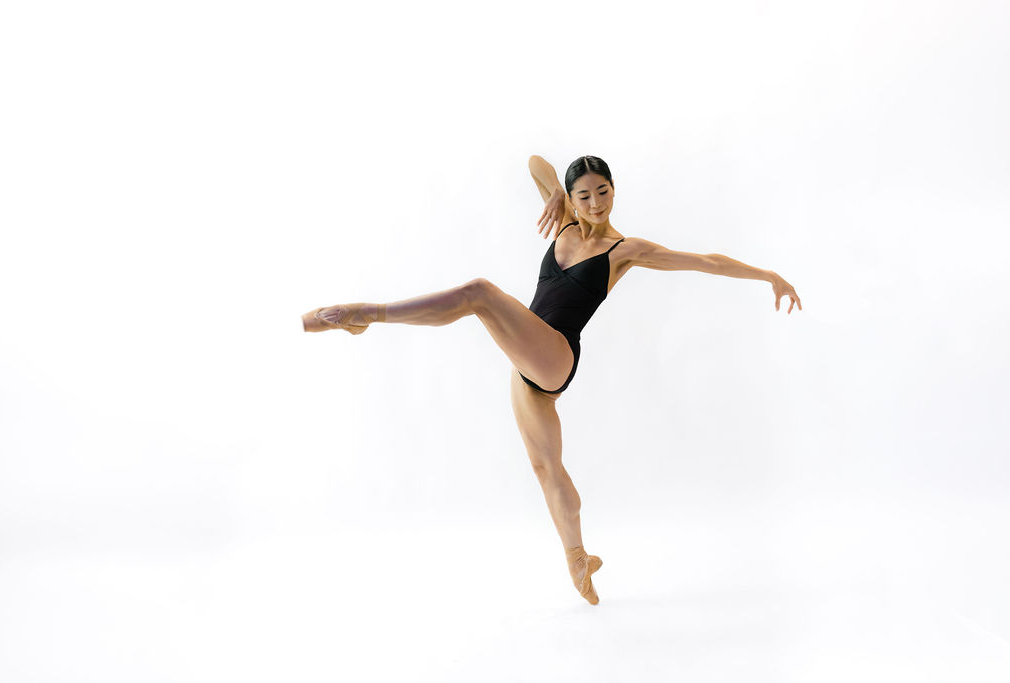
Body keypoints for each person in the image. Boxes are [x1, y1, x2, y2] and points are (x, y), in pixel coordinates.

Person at [301, 155, 803, 605]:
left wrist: (769, 276)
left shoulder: (624, 249)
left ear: (613, 190)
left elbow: (708, 262)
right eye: (583, 195)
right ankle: (578, 558)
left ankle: (363, 313)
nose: (595, 203)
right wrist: (557, 194)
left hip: (555, 355)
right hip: (527, 371)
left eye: (603, 192)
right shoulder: (563, 216)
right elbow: (535, 161)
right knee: (548, 470)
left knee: (478, 294)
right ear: (572, 197)